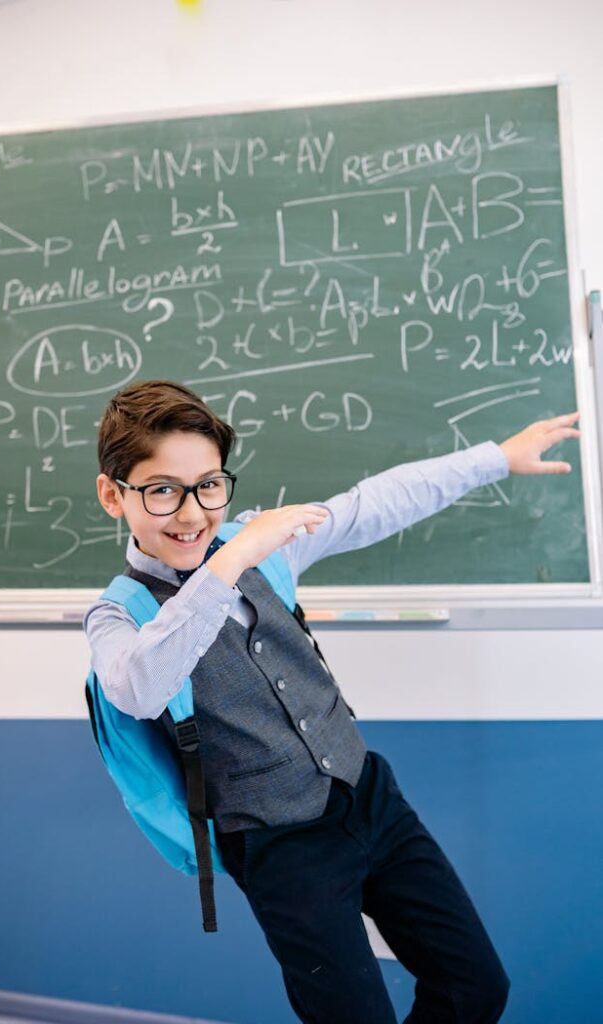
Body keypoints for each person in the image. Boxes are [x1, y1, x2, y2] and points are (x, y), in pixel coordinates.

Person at [85, 378, 579, 1024]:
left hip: (369, 797)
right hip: (282, 848)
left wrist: (494, 458)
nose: (191, 513)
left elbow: (373, 503)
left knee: (475, 986)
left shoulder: (261, 547)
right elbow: (142, 683)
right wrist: (227, 562)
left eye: (207, 485)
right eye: (160, 490)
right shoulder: (115, 617)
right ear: (111, 495)